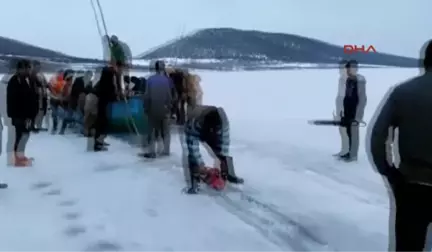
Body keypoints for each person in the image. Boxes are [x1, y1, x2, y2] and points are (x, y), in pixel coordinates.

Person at [368, 40, 432, 252]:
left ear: (424, 63)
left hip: (412, 185)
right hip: (412, 182)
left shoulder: (403, 92)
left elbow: (378, 137)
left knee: (408, 246)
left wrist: (390, 173)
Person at [185, 105, 244, 194]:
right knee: (193, 157)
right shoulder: (193, 124)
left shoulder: (222, 119)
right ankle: (194, 184)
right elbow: (193, 149)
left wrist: (222, 160)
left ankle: (230, 175)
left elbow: (225, 141)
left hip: (211, 130)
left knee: (221, 153)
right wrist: (200, 165)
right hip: (198, 129)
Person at [6, 59, 38, 167]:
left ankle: (20, 155)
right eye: (26, 68)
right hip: (19, 115)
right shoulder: (14, 81)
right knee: (19, 136)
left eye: (29, 68)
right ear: (20, 69)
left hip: (28, 115)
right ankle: (15, 159)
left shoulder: (28, 79)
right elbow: (14, 101)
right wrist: (21, 116)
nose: (28, 70)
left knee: (25, 135)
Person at [141, 60, 173, 158]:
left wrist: (146, 108)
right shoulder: (168, 80)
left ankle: (152, 152)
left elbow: (147, 96)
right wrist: (169, 107)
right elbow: (170, 96)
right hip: (165, 109)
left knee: (152, 131)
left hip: (153, 109)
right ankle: (166, 150)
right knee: (166, 131)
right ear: (163, 68)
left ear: (155, 68)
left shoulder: (150, 80)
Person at [337, 60, 367, 162]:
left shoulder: (360, 80)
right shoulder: (348, 80)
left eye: (355, 67)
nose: (352, 69)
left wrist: (359, 115)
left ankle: (353, 155)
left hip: (355, 111)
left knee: (354, 134)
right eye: (351, 68)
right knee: (349, 132)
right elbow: (345, 96)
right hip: (347, 110)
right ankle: (349, 152)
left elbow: (362, 99)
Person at [92, 66, 117, 151]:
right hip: (106, 106)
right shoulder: (109, 84)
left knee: (100, 123)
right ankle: (99, 142)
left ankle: (99, 141)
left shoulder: (101, 82)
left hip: (101, 106)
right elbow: (112, 96)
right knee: (104, 124)